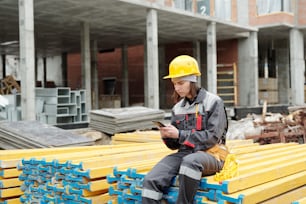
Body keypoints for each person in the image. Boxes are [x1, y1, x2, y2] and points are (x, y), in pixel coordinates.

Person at [142, 55, 228, 204]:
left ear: (193, 80)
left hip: (212, 155)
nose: (177, 88)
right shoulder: (178, 108)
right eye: (174, 84)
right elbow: (175, 145)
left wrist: (180, 134)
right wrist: (167, 136)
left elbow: (212, 137)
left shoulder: (214, 102)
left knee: (190, 162)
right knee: (151, 179)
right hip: (185, 153)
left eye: (181, 83)